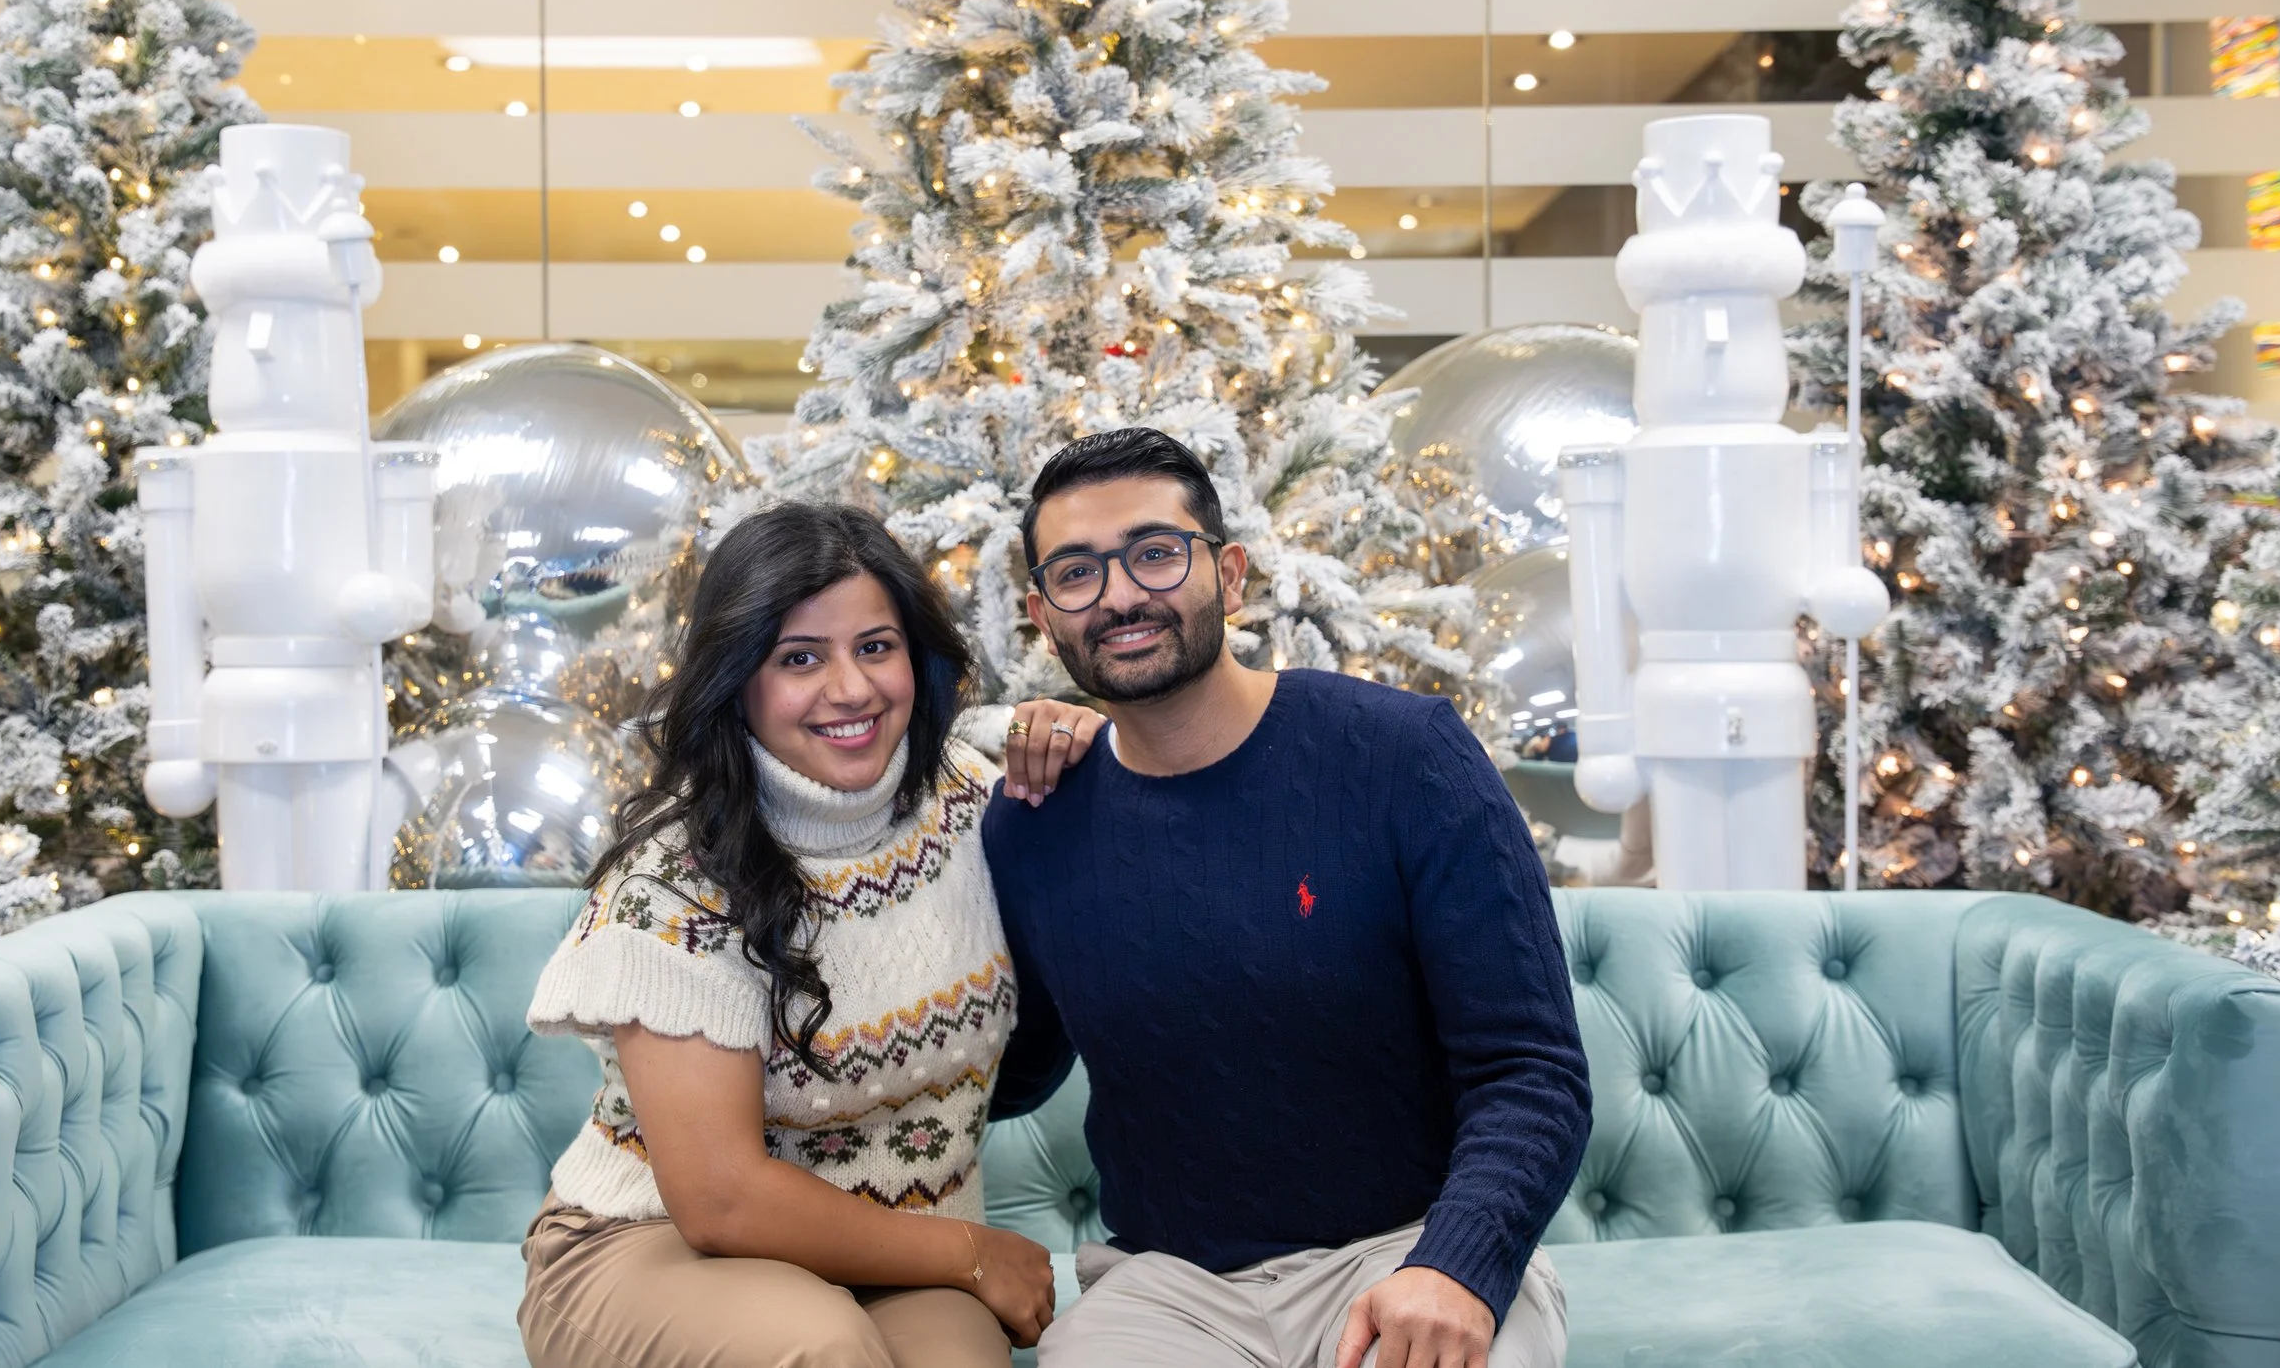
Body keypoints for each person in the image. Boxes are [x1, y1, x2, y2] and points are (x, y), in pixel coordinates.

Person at [984, 428, 1592, 1368]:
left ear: (1228, 574)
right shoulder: (1034, 818)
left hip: (1408, 1250)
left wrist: (1460, 1265)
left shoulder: (1404, 755)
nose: (1118, 595)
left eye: (1154, 553)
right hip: (1168, 1291)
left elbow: (1532, 1067)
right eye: (1076, 572)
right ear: (1042, 613)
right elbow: (1007, 1066)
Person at [519, 500, 1093, 1368]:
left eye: (875, 646)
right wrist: (972, 1253)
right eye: (799, 658)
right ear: (736, 677)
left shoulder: (975, 798)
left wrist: (1062, 723)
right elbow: (721, 1202)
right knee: (819, 1349)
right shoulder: (675, 880)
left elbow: (998, 738)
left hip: (896, 1256)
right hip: (655, 1240)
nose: (852, 689)